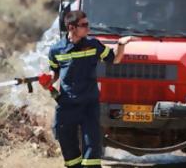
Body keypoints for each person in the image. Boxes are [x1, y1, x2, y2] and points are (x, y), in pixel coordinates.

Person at [40, 11, 138, 168]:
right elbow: (55, 72)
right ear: (71, 27)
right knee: (67, 146)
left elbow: (115, 59)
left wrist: (120, 45)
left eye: (88, 24)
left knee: (92, 149)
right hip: (66, 105)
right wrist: (48, 80)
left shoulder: (94, 44)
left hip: (89, 105)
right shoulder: (56, 50)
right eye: (84, 25)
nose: (88, 28)